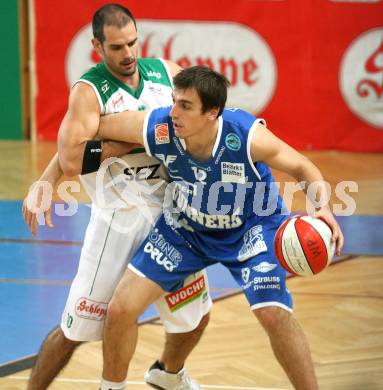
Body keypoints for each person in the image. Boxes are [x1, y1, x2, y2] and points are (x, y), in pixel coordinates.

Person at [87, 65, 344, 390]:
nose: (174, 112)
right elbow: (95, 124)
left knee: (273, 314)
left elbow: (302, 167)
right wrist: (102, 149)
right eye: (174, 101)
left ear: (212, 112)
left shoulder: (245, 135)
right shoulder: (159, 125)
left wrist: (322, 208)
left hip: (251, 229)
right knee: (121, 307)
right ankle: (113, 387)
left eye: (186, 106)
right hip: (186, 229)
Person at [23, 5, 212, 390]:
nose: (127, 53)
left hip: (170, 219)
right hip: (117, 222)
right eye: (116, 47)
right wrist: (131, 139)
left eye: (132, 42)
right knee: (74, 331)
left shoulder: (166, 73)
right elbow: (73, 156)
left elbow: (197, 121)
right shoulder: (90, 91)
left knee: (197, 315)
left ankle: (167, 373)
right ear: (97, 46)